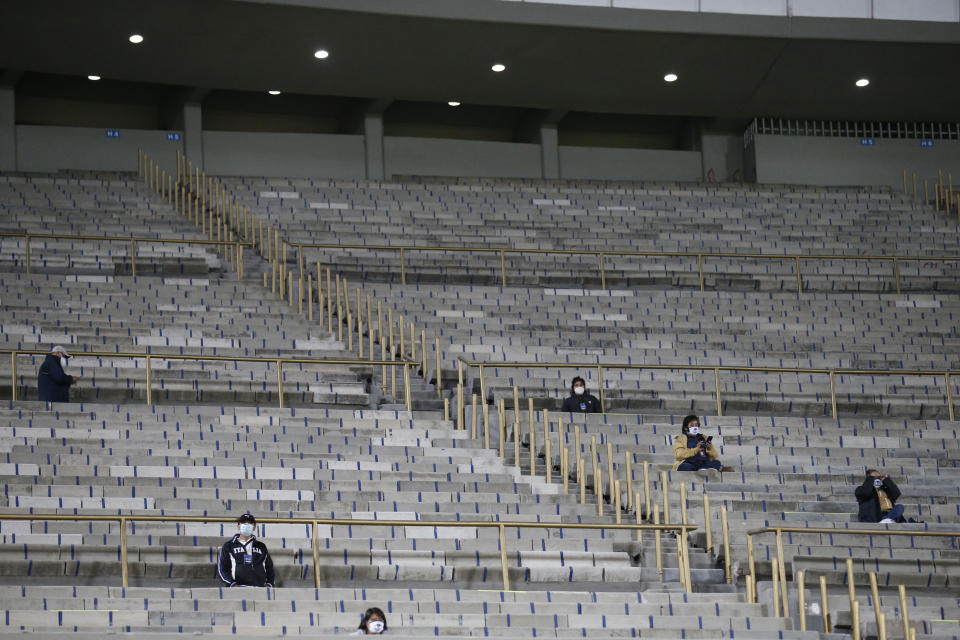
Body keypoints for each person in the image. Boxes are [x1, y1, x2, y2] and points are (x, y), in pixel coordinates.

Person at [217, 514, 275, 587]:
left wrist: (269, 584)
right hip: (237, 589)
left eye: (250, 523)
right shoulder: (228, 546)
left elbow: (269, 568)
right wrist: (232, 584)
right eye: (243, 523)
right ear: (238, 526)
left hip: (259, 589)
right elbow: (222, 569)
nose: (246, 525)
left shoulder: (261, 546)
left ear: (254, 527)